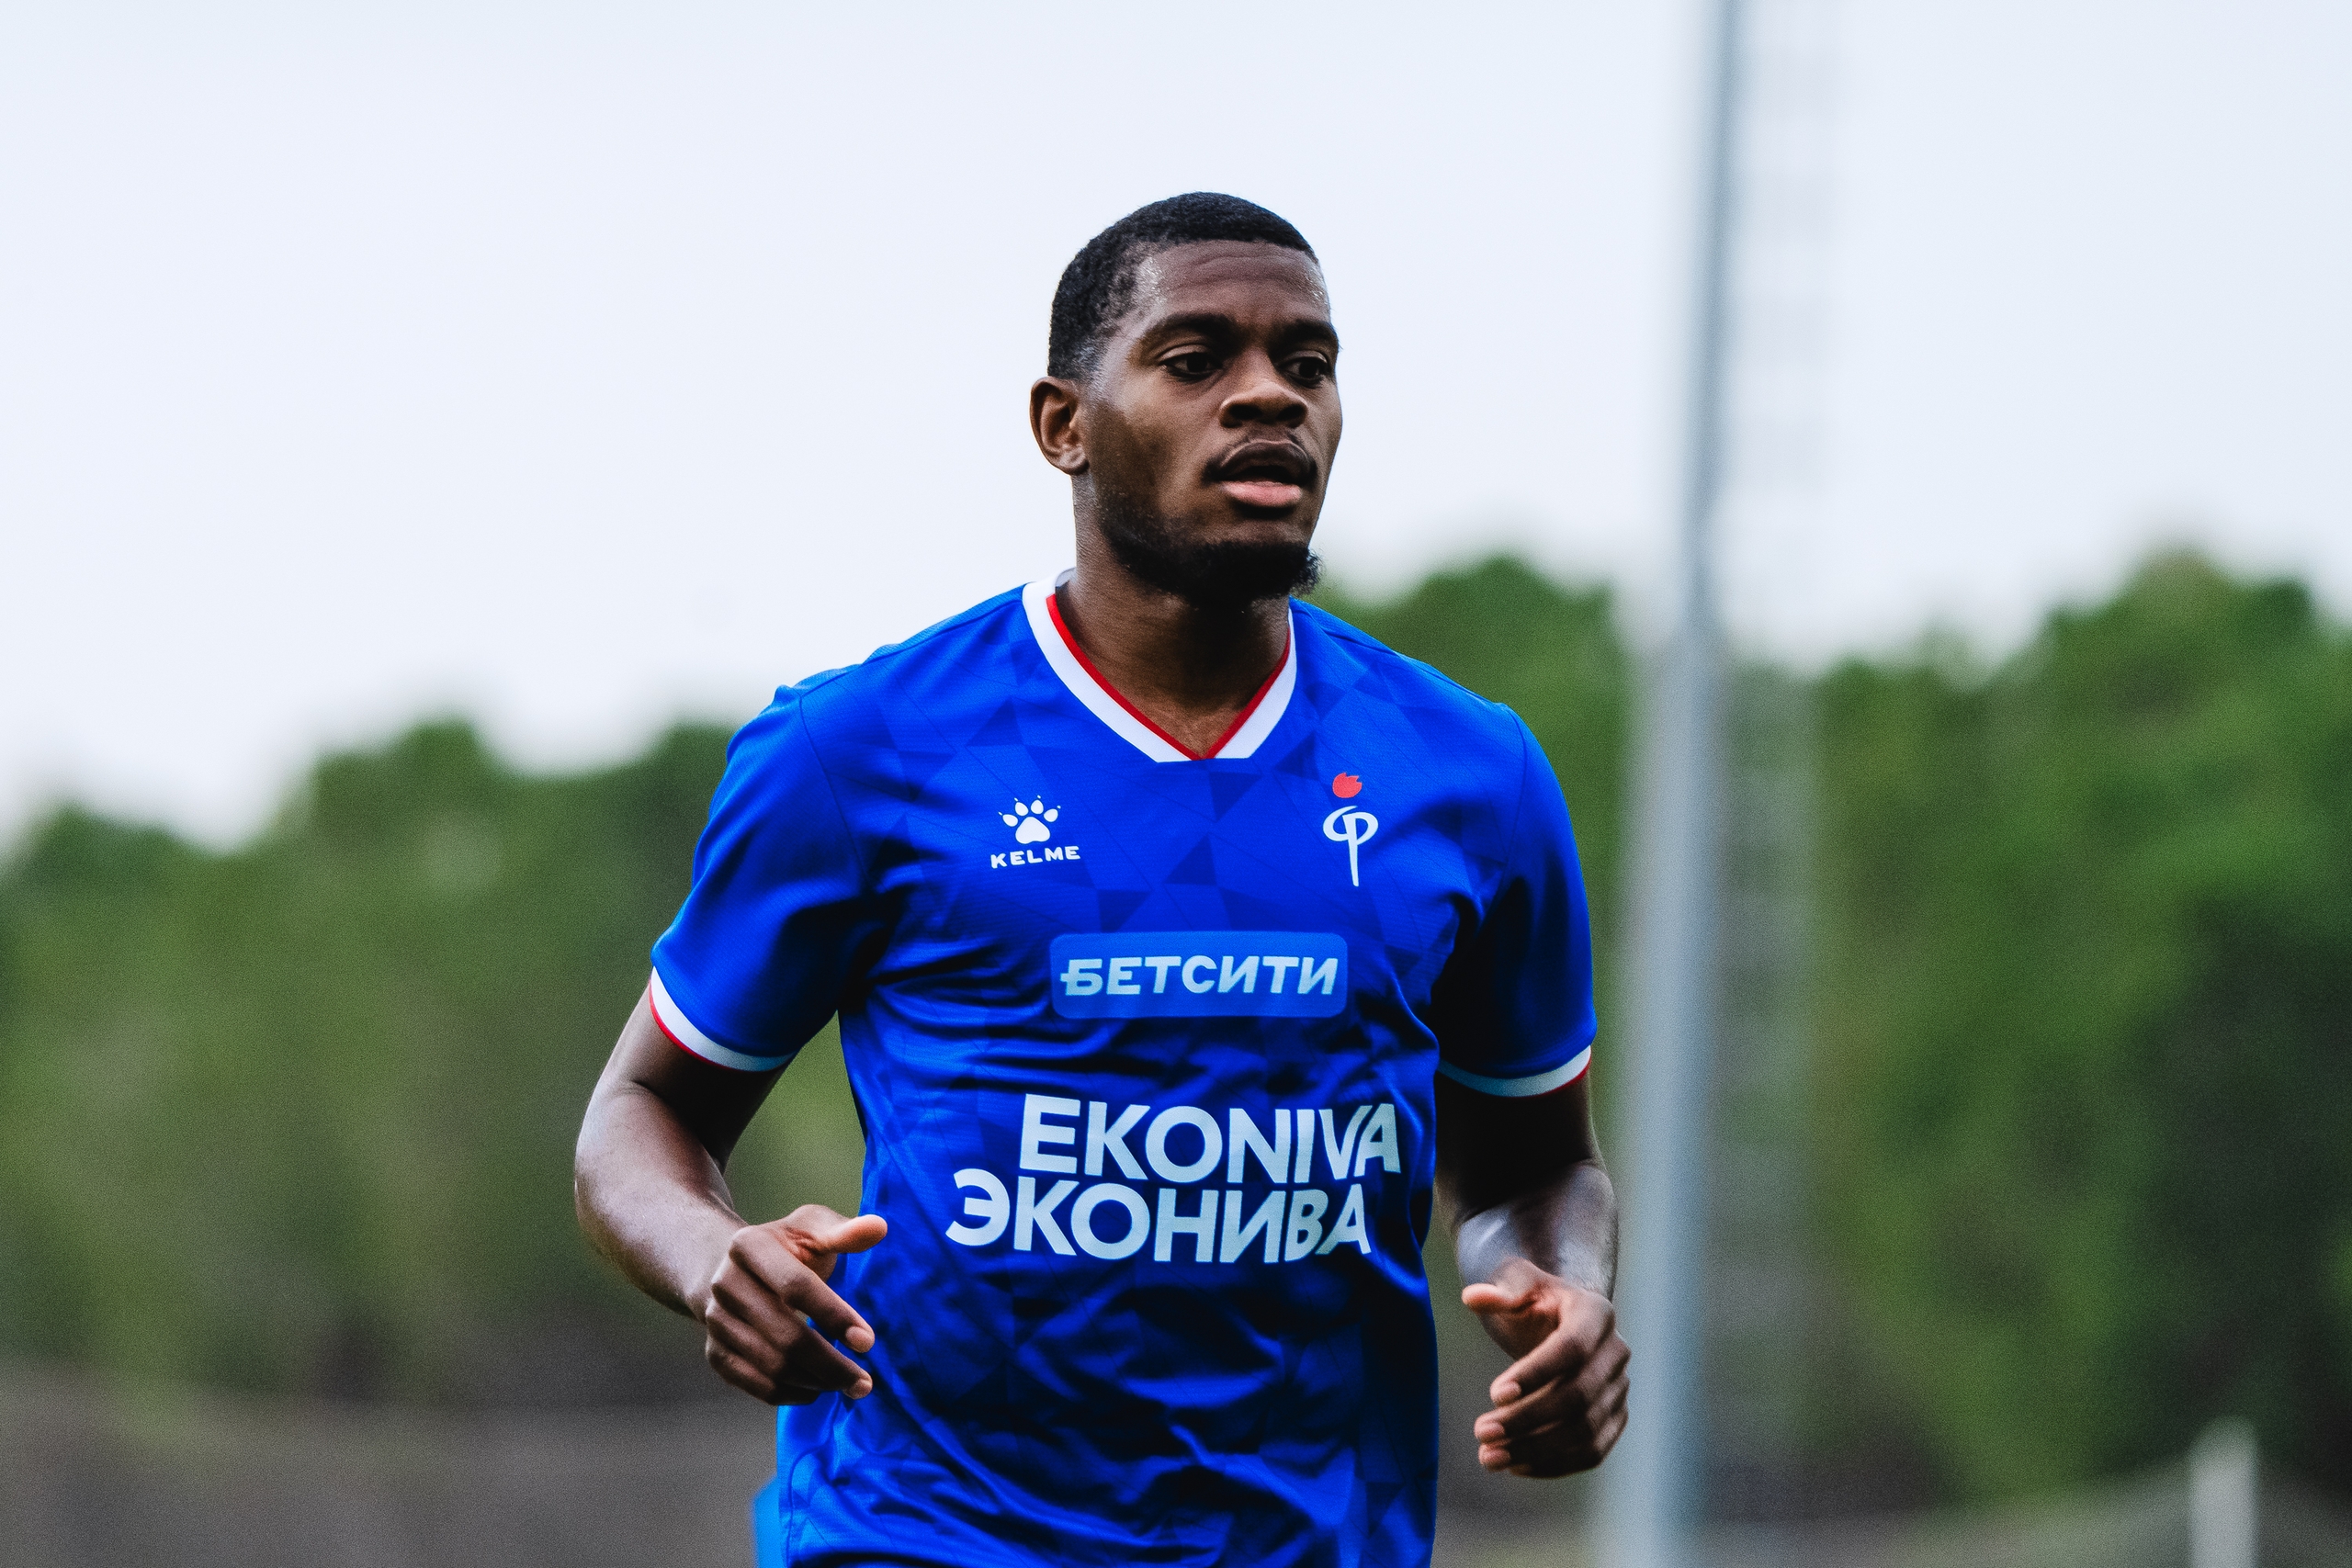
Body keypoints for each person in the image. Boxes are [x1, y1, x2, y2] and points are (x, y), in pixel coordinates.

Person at [573, 192, 1628, 1567]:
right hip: (930, 1536)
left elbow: (1535, 1169)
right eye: (1196, 360)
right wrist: (716, 1258)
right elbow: (643, 1113)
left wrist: (1560, 1295)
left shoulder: (1470, 774)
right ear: (1062, 423)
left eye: (1307, 364)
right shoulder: (860, 751)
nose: (1270, 395)